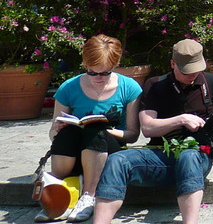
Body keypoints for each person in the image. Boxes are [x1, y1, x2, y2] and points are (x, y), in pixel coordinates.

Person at [92, 40, 213, 224]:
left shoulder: (212, 82)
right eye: (186, 71)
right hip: (160, 153)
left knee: (188, 155)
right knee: (117, 160)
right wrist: (181, 119)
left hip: (198, 155)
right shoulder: (155, 85)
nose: (192, 75)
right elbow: (148, 128)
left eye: (196, 69)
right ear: (173, 64)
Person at [39, 36, 141, 223]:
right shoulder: (68, 87)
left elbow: (133, 135)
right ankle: (57, 190)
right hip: (75, 152)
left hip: (108, 152)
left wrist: (107, 131)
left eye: (105, 73)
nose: (98, 78)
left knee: (96, 131)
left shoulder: (129, 87)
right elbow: (53, 134)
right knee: (67, 132)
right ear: (85, 65)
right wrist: (57, 129)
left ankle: (89, 195)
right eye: (92, 73)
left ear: (115, 64)